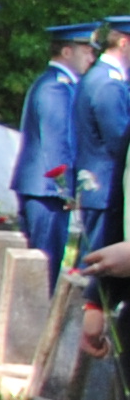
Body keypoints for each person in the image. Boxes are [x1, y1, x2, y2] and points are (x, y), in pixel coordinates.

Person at [17, 19, 93, 274]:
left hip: (46, 189)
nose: (91, 58)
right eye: (86, 51)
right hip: (47, 190)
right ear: (67, 51)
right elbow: (57, 143)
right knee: (43, 265)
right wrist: (66, 189)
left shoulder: (61, 85)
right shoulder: (55, 87)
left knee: (47, 260)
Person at [89, 18, 130, 251]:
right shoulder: (109, 84)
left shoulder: (104, 78)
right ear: (124, 43)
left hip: (101, 184)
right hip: (104, 185)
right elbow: (118, 140)